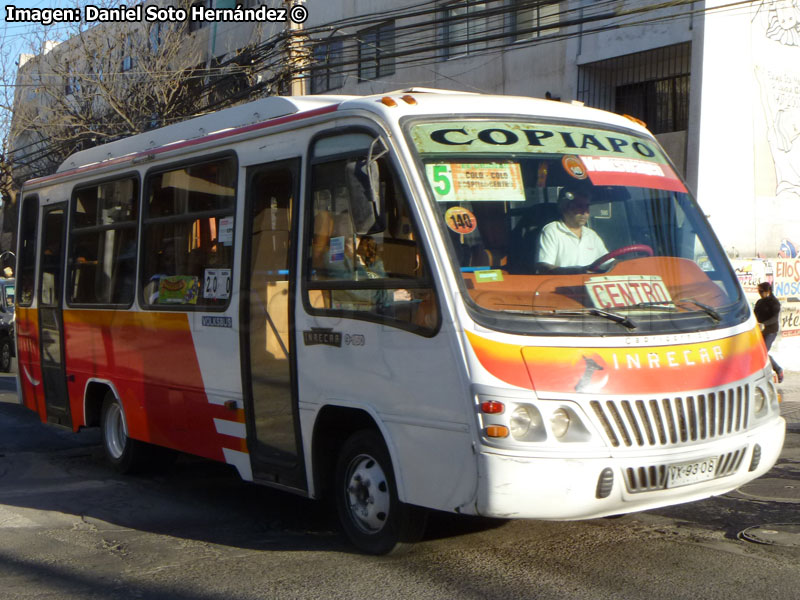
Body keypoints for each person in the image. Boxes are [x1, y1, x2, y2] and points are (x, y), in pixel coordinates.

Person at [538, 187, 608, 271]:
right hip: (562, 283)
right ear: (565, 208)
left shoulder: (591, 235)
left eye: (587, 207)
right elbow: (544, 266)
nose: (584, 212)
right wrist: (578, 272)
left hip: (590, 283)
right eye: (579, 206)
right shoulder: (552, 230)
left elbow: (608, 262)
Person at [754, 281, 784, 383]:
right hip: (759, 331)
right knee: (757, 353)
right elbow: (754, 314)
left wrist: (764, 324)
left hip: (770, 331)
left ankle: (778, 369)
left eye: (761, 291)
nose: (760, 293)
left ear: (768, 291)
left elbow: (774, 318)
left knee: (763, 352)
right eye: (758, 291)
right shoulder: (759, 302)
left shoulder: (774, 303)